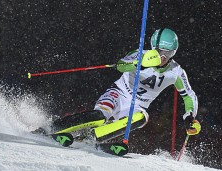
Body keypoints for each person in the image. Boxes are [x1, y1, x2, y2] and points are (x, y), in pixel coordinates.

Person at [33, 28, 201, 144]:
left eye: (167, 53)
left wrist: (189, 116)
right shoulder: (140, 54)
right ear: (153, 48)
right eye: (159, 51)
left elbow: (189, 95)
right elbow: (121, 65)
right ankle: (51, 128)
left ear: (173, 53)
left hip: (136, 107)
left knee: (143, 118)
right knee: (99, 116)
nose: (162, 57)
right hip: (118, 94)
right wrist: (139, 64)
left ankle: (90, 138)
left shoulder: (176, 72)